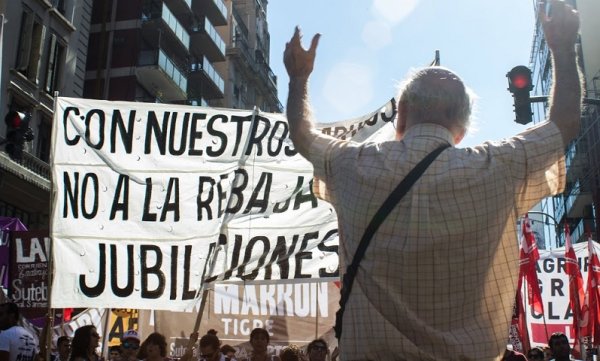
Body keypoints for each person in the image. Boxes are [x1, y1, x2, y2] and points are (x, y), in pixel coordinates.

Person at [282, 0, 582, 359]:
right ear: (462, 129)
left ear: (401, 115)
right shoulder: (498, 166)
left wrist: (299, 78)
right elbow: (563, 125)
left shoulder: (352, 164)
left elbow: (302, 135)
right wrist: (562, 49)